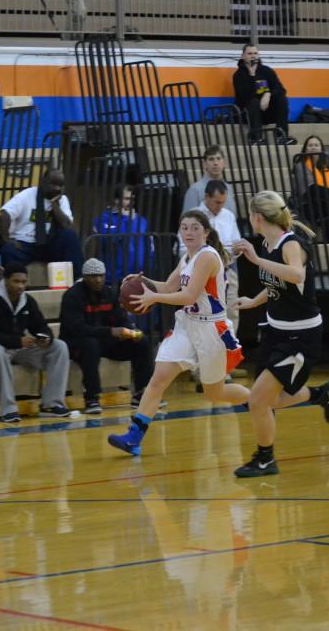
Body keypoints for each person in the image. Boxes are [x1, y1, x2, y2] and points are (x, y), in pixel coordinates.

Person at [107, 210, 250, 456]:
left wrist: (154, 297)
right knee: (158, 378)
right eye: (184, 227)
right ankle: (134, 437)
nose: (189, 232)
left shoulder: (207, 257)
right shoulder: (187, 258)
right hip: (188, 325)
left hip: (210, 329)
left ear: (206, 232)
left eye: (195, 227)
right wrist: (144, 283)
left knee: (214, 392)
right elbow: (168, 287)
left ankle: (258, 402)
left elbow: (188, 296)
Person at [229, 191, 329, 477]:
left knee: (257, 401)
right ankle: (320, 395)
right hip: (275, 333)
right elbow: (279, 283)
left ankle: (266, 459)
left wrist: (255, 260)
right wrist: (254, 301)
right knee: (266, 400)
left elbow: (296, 275)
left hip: (300, 338)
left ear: (256, 217)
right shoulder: (269, 243)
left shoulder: (292, 243)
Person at [0, 262, 72, 423]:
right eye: (16, 281)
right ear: (5, 281)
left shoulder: (28, 301)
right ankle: (8, 409)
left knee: (59, 346)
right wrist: (18, 341)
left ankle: (51, 404)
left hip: (18, 348)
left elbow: (41, 325)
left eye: (23, 282)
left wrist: (45, 337)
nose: (20, 286)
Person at [60, 257, 152, 414]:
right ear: (84, 277)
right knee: (91, 345)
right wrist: (110, 331)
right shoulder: (72, 296)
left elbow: (121, 319)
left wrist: (130, 331)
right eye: (93, 276)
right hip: (76, 343)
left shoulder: (109, 293)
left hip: (105, 341)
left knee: (142, 341)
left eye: (101, 276)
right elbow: (78, 329)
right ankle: (92, 398)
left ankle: (141, 393)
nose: (98, 280)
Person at [0, 169, 84, 279]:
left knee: (70, 236)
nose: (57, 188)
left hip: (49, 244)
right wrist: (6, 238)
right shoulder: (26, 195)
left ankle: (77, 279)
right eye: (53, 184)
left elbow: (66, 225)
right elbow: (5, 214)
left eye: (60, 185)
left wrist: (54, 204)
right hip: (25, 243)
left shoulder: (62, 200)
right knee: (8, 250)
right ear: (43, 182)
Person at [193, 179, 242, 330]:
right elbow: (183, 248)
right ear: (206, 197)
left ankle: (232, 348)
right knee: (205, 313)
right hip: (203, 273)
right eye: (217, 202)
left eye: (223, 202)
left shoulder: (228, 215)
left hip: (228, 269)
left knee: (232, 311)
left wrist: (237, 248)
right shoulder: (194, 216)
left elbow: (236, 241)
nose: (220, 206)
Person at [233, 44, 295, 145]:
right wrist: (252, 76)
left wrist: (268, 94)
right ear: (243, 56)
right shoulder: (239, 75)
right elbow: (243, 97)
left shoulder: (267, 71)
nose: (253, 56)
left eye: (255, 53)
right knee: (254, 102)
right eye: (249, 53)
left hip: (267, 111)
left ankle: (281, 137)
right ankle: (256, 138)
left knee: (281, 99)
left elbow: (280, 89)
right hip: (249, 113)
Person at [91, 184, 149, 284]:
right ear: (116, 200)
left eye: (132, 199)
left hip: (138, 276)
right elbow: (110, 240)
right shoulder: (104, 219)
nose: (131, 202)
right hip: (114, 278)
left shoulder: (141, 220)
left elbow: (149, 247)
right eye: (126, 199)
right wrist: (125, 219)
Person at [294, 135, 329, 243]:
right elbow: (311, 188)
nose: (313, 148)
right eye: (310, 145)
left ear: (321, 148)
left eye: (316, 145)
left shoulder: (328, 163)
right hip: (308, 203)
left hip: (327, 202)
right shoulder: (300, 166)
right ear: (305, 149)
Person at [181, 145, 239, 216]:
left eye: (218, 158)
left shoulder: (229, 188)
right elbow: (186, 219)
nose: (215, 163)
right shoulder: (195, 190)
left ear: (224, 163)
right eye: (211, 159)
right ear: (205, 164)